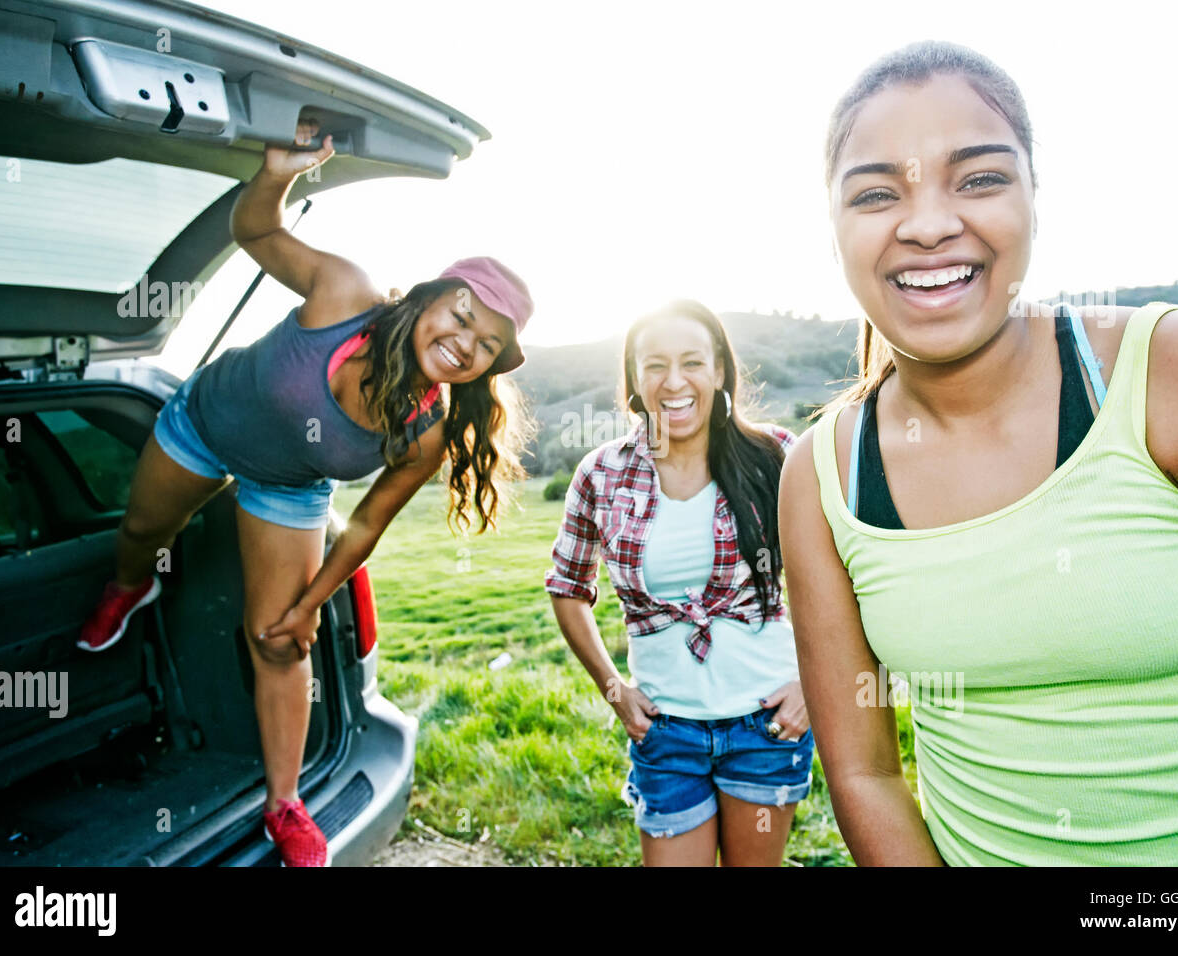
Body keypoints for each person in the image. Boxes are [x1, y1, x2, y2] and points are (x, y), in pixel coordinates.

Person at [779, 40, 1178, 865]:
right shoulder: (822, 475)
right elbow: (864, 774)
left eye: (979, 178)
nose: (929, 223)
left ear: (1036, 201)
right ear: (833, 232)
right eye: (875, 193)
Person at [77, 120, 535, 866]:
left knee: (279, 645)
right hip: (203, 425)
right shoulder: (344, 292)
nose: (465, 344)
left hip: (287, 488)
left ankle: (284, 806)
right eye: (462, 317)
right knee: (138, 535)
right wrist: (278, 174)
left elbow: (361, 529)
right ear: (431, 296)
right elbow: (253, 229)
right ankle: (130, 587)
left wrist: (309, 603)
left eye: (486, 346)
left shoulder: (427, 428)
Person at [545, 299, 812, 866]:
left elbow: (843, 575)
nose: (674, 381)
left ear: (719, 371)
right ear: (635, 381)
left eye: (692, 362)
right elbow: (567, 586)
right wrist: (613, 688)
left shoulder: (777, 456)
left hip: (766, 726)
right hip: (665, 733)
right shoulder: (603, 472)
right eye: (654, 366)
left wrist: (812, 684)